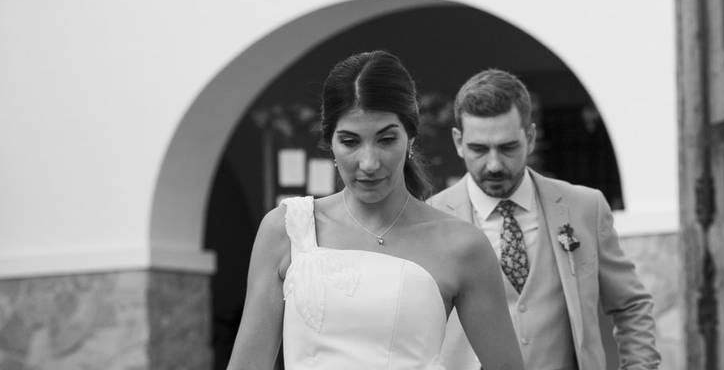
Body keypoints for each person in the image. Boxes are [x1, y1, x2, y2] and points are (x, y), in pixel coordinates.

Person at [226, 51, 524, 370]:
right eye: (350, 141)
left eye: (385, 140)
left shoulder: (463, 246)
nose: (368, 163)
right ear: (330, 142)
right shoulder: (286, 229)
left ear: (410, 138)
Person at [428, 69, 661, 370]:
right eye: (479, 149)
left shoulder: (585, 208)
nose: (494, 164)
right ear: (459, 142)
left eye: (508, 147)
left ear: (531, 137)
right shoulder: (431, 219)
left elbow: (631, 305)